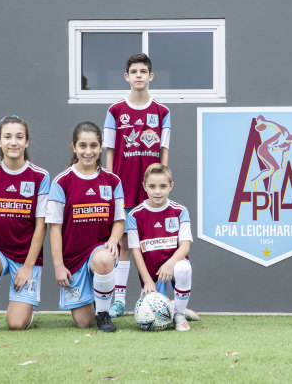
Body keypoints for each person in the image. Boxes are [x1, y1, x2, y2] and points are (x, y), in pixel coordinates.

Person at [103, 53, 171, 318]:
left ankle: (154, 297)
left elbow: (163, 149)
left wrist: (161, 175)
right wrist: (110, 181)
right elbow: (110, 150)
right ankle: (118, 300)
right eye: (134, 71)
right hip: (124, 185)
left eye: (144, 71)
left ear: (151, 76)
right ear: (127, 77)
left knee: (152, 242)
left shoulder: (162, 111)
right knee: (123, 244)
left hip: (149, 190)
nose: (139, 75)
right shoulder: (115, 111)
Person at [0, 116, 50, 333]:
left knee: (16, 324)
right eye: (7, 137)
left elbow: (41, 226)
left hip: (26, 257)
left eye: (19, 137)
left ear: (27, 142)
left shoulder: (40, 176)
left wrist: (28, 266)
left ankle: (28, 305)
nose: (13, 142)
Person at [46, 122, 124, 332]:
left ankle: (104, 314)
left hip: (98, 251)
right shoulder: (61, 182)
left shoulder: (112, 181)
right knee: (82, 322)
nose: (88, 152)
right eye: (83, 146)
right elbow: (54, 229)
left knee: (104, 259)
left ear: (101, 148)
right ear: (73, 147)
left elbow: (119, 220)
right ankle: (94, 300)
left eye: (93, 146)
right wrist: (59, 266)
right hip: (73, 260)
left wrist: (114, 241)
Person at [127, 163, 193, 331]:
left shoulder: (180, 211)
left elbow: (185, 246)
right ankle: (175, 305)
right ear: (144, 187)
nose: (157, 191)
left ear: (171, 186)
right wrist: (147, 280)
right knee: (152, 317)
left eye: (163, 186)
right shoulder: (135, 215)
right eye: (152, 186)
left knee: (184, 268)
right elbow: (136, 251)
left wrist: (170, 264)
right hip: (151, 274)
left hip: (173, 266)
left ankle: (179, 314)